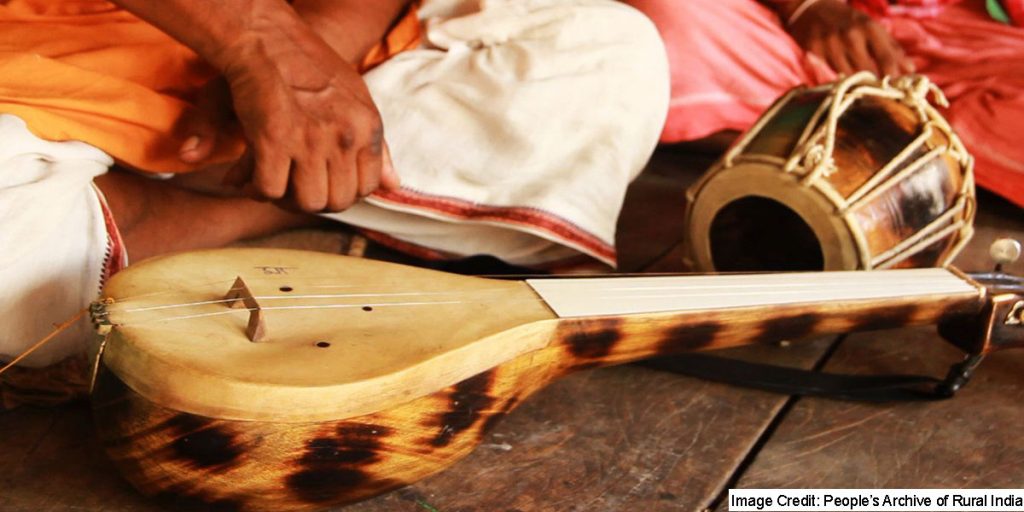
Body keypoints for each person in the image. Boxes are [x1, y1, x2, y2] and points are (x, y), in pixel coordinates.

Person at [0, 0, 669, 398]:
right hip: (43, 61)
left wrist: (315, 54)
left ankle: (274, 186)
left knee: (610, 53)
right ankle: (274, 196)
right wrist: (254, 42)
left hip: (331, 51)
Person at [624, 0, 1024, 207]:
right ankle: (833, 144)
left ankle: (839, 140)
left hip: (958, 40)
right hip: (781, 29)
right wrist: (806, 5)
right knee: (656, 24)